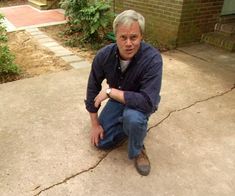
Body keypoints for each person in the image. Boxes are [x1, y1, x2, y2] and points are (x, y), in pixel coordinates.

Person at [85, 9, 162, 176]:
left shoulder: (153, 59)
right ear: (115, 37)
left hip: (142, 101)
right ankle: (133, 128)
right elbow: (92, 88)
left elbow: (148, 101)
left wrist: (110, 91)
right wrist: (95, 124)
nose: (128, 43)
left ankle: (138, 146)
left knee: (133, 118)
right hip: (119, 98)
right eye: (123, 37)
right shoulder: (104, 56)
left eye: (133, 37)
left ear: (141, 36)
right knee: (102, 142)